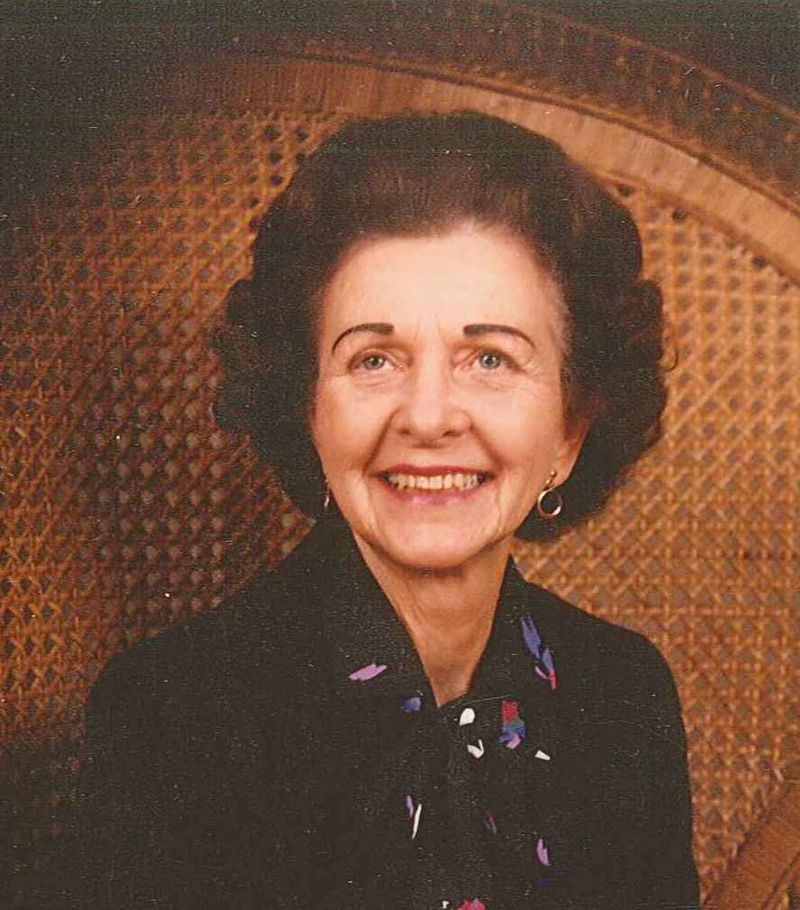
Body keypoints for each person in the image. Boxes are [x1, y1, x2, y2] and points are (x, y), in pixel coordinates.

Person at [45, 112, 699, 909]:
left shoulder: (624, 693)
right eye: (374, 359)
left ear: (570, 429)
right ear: (308, 411)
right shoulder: (174, 715)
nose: (428, 417)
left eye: (490, 358)